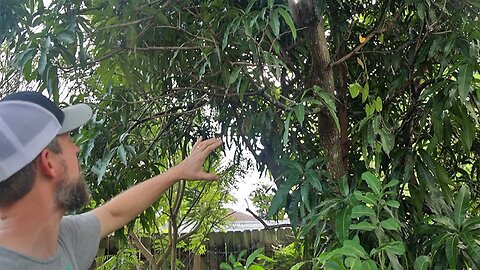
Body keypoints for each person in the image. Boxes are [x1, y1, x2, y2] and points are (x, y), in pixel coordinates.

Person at [0, 91, 223, 269]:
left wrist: (178, 171)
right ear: (49, 163)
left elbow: (114, 212)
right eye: (68, 139)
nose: (77, 148)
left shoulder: (60, 238)